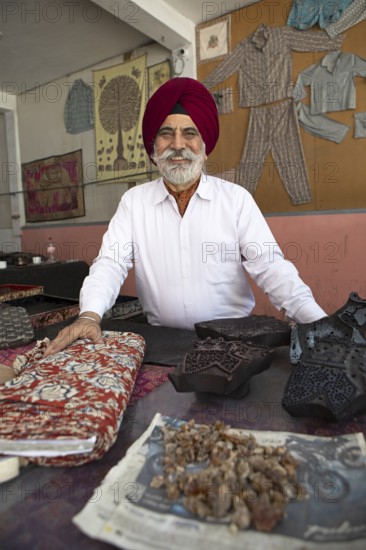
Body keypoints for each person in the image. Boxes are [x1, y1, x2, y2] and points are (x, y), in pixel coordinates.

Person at [44, 77, 327, 358]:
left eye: (189, 133)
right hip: (162, 344)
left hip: (233, 342)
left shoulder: (235, 199)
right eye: (166, 133)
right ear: (153, 149)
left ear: (205, 148)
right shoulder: (134, 202)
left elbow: (271, 267)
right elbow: (111, 262)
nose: (178, 145)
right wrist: (89, 316)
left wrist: (318, 322)